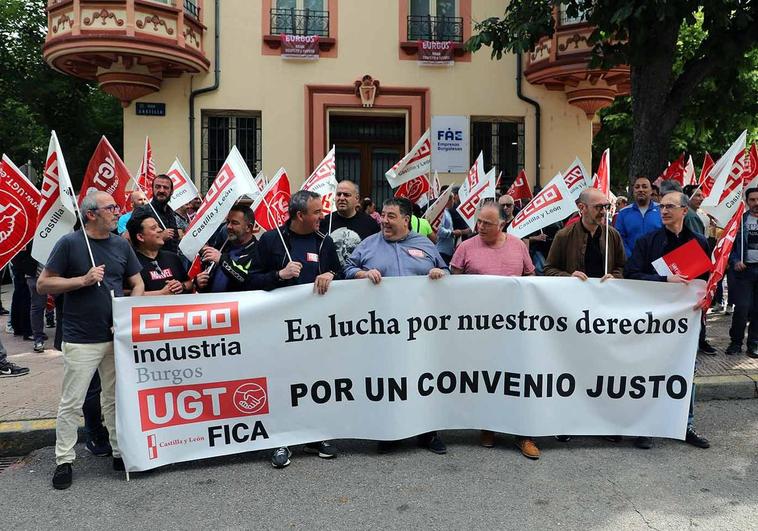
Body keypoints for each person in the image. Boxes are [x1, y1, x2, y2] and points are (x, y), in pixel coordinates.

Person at [38, 191, 145, 490]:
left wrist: (127, 314)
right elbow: (43, 283)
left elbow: (137, 283)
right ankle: (64, 460)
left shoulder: (121, 245)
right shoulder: (70, 243)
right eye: (111, 207)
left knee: (113, 399)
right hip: (81, 337)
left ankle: (118, 452)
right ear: (91, 214)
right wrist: (81, 281)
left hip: (114, 336)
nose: (117, 211)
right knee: (73, 400)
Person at [344, 197, 448, 455]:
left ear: (406, 219)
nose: (384, 221)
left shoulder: (425, 244)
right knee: (390, 379)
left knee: (423, 377)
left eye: (391, 216)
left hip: (421, 329)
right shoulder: (368, 245)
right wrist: (362, 274)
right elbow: (347, 268)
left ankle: (428, 432)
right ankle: (389, 432)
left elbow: (445, 270)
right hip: (383, 329)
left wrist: (439, 273)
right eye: (382, 215)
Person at [253, 190, 340, 468]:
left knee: (315, 381)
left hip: (315, 329)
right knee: (283, 382)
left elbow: (339, 272)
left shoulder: (324, 242)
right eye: (316, 212)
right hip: (279, 328)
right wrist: (279, 275)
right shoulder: (270, 240)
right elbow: (250, 281)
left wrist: (331, 274)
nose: (322, 216)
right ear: (300, 215)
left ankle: (316, 435)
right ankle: (280, 439)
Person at [449, 201, 541, 459]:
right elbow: (452, 284)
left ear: (502, 224)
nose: (480, 226)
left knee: (518, 378)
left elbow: (530, 280)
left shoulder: (518, 245)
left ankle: (524, 434)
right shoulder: (465, 247)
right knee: (486, 378)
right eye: (478, 221)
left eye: (487, 223)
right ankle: (488, 425)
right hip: (478, 328)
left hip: (514, 327)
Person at [624, 191, 710, 450]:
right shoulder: (646, 242)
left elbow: (708, 281)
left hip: (687, 322)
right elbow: (631, 275)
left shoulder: (700, 243)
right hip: (655, 321)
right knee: (650, 373)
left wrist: (708, 298)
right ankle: (646, 427)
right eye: (661, 206)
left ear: (685, 211)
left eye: (670, 206)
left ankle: (686, 425)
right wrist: (663, 280)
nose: (663, 211)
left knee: (686, 372)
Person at [545, 188, 625, 280]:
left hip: (605, 292)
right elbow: (549, 269)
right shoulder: (564, 235)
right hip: (576, 292)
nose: (603, 211)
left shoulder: (613, 235)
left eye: (606, 206)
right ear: (582, 207)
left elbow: (621, 266)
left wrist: (614, 276)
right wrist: (569, 277)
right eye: (598, 207)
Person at [127, 212, 206, 295]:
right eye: (153, 228)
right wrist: (160, 293)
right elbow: (124, 293)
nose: (160, 230)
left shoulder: (172, 257)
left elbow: (189, 283)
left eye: (158, 226)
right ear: (140, 237)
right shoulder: (131, 263)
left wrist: (181, 286)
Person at [681, 184, 717, 356]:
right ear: (688, 197)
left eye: (702, 196)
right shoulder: (691, 217)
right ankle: (699, 340)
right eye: (698, 195)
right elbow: (696, 245)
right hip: (693, 268)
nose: (702, 198)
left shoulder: (697, 215)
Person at [200, 205, 262, 293]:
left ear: (248, 227)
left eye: (234, 223)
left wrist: (222, 260)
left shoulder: (258, 251)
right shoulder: (222, 246)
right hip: (212, 303)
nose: (228, 226)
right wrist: (199, 282)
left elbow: (248, 280)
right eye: (228, 222)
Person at [726, 187, 758, 358]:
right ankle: (736, 342)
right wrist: (735, 261)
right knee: (742, 308)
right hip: (744, 272)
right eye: (752, 200)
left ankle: (753, 343)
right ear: (747, 202)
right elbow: (729, 246)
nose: (756, 203)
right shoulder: (739, 222)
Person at [320, 181, 380, 267]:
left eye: (346, 195)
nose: (341, 198)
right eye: (338, 194)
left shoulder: (370, 224)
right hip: (330, 278)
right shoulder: (324, 222)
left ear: (357, 198)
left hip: (360, 277)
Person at [615, 176, 662, 257]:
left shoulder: (662, 210)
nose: (640, 190)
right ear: (633, 191)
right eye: (637, 187)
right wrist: (631, 258)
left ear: (651, 191)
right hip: (632, 263)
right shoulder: (623, 213)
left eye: (644, 187)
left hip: (657, 263)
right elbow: (619, 239)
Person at [134, 175, 180, 253]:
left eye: (165, 187)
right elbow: (133, 240)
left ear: (171, 191)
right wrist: (160, 237)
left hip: (172, 261)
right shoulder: (142, 211)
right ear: (152, 189)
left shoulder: (171, 213)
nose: (161, 190)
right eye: (158, 187)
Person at [435, 187, 455, 264]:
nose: (454, 201)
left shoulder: (446, 212)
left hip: (446, 251)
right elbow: (439, 230)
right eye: (453, 199)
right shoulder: (442, 212)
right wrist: (452, 233)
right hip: (442, 251)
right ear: (448, 200)